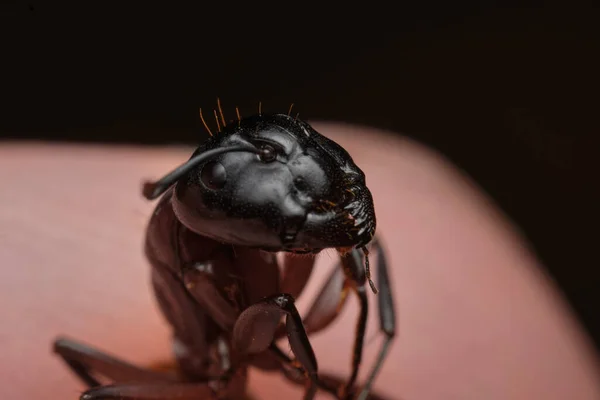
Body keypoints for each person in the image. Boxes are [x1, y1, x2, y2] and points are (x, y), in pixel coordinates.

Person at [1, 122, 599, 400]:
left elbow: (289, 294)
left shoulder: (254, 280)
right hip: (207, 369)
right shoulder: (206, 269)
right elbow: (271, 305)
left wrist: (355, 249)